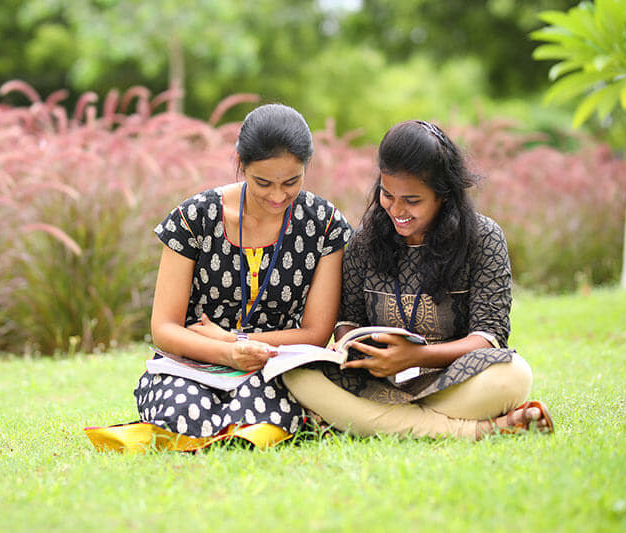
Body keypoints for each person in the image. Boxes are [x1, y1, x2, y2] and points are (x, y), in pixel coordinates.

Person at [85, 103, 352, 453]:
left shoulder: (325, 224)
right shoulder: (194, 218)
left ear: (307, 166)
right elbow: (164, 328)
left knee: (266, 406)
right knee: (180, 408)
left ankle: (204, 436)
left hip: (276, 366)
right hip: (192, 364)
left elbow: (315, 333)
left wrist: (234, 340)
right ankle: (222, 433)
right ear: (240, 164)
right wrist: (227, 353)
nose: (277, 196)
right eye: (262, 182)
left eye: (292, 182)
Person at [283, 120, 554, 440]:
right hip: (378, 382)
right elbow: (348, 321)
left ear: (444, 196)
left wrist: (416, 357)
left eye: (412, 200)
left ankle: (372, 422)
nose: (396, 210)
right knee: (297, 376)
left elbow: (489, 336)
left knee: (513, 376)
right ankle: (479, 430)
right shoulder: (364, 241)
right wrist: (359, 350)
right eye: (387, 194)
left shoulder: (483, 239)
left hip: (452, 381)